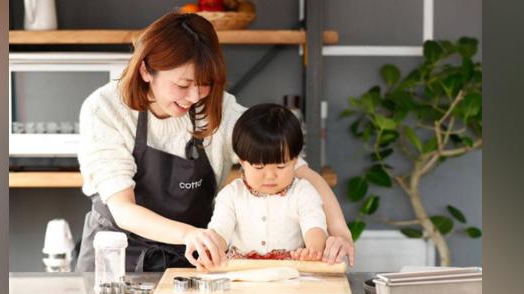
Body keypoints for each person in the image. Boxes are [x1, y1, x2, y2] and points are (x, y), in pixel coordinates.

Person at [75, 12, 355, 273]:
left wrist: (339, 233)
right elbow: (123, 209)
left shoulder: (218, 107)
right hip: (115, 259)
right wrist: (188, 234)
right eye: (183, 85)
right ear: (147, 71)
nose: (195, 96)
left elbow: (300, 172)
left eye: (205, 83)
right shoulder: (106, 108)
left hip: (194, 259)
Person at [208, 104, 328, 261]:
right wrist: (211, 246)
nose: (270, 176)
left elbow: (314, 226)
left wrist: (313, 249)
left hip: (291, 274)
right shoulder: (231, 194)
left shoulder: (304, 192)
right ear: (243, 162)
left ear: (295, 161)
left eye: (281, 166)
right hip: (242, 276)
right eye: (258, 167)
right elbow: (220, 230)